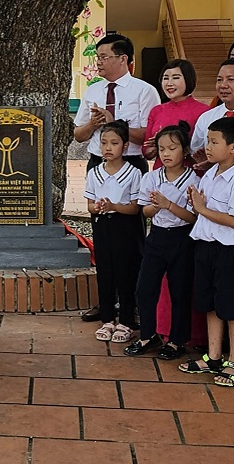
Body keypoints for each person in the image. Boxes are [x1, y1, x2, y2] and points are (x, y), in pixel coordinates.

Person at [179, 116, 234, 388]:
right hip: (206, 247)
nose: (208, 147)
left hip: (230, 253)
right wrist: (196, 204)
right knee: (210, 302)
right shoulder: (209, 175)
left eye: (214, 142)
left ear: (233, 148)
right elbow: (202, 210)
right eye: (208, 140)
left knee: (233, 307)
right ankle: (213, 356)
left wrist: (202, 209)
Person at [127, 123, 195, 359]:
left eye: (172, 148)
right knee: (145, 288)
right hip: (156, 237)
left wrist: (169, 205)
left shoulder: (193, 179)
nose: (166, 154)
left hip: (182, 238)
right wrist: (155, 207)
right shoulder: (151, 177)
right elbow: (144, 211)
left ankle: (177, 340)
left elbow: (194, 217)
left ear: (184, 151)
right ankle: (147, 334)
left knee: (180, 290)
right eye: (162, 149)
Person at [85, 120, 144, 345]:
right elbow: (90, 204)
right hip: (102, 226)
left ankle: (126, 321)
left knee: (125, 273)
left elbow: (135, 207)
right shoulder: (94, 172)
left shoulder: (133, 173)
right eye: (104, 143)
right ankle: (107, 319)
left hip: (125, 228)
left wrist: (114, 206)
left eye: (114, 143)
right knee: (105, 272)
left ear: (125, 146)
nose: (108, 148)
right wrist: (98, 208)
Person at [73, 33, 159, 171]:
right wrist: (92, 124)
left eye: (104, 57)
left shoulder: (145, 91)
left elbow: (148, 137)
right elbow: (78, 135)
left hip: (131, 163)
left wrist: (113, 124)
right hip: (98, 163)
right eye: (98, 57)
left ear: (123, 59)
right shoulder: (92, 91)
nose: (98, 62)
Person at [142, 60, 209, 165]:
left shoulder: (205, 111)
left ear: (188, 79)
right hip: (160, 174)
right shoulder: (157, 110)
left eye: (176, 77)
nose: (169, 83)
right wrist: (158, 144)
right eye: (165, 78)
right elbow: (146, 151)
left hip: (192, 173)